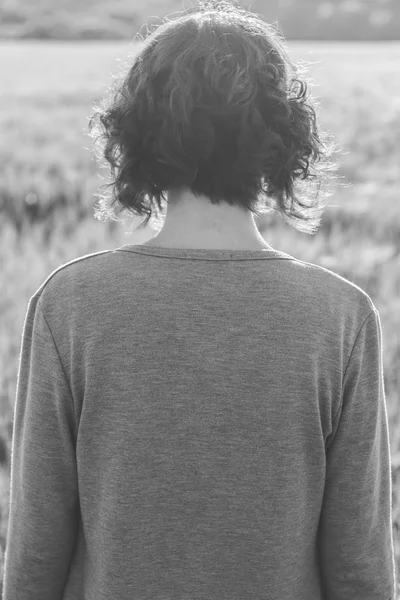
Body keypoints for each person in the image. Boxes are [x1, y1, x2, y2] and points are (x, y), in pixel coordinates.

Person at [2, 1, 396, 599]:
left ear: (135, 136)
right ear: (283, 140)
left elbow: (35, 559)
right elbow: (360, 569)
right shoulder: (340, 316)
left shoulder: (71, 304)